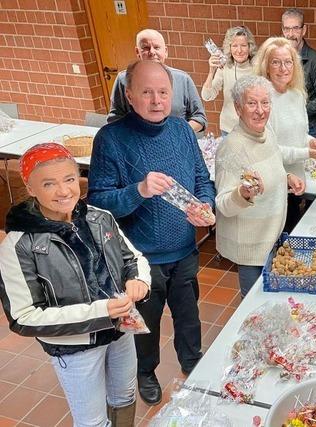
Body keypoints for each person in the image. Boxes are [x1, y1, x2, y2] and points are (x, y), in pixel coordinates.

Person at [88, 60, 216, 406]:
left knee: (189, 315)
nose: (156, 100)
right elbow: (97, 203)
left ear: (172, 94)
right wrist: (139, 190)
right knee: (145, 324)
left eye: (163, 92)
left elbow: (202, 179)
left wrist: (206, 205)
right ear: (129, 95)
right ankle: (146, 372)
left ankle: (192, 361)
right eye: (147, 92)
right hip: (141, 261)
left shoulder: (182, 130)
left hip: (185, 250)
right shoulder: (111, 138)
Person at [0, 143, 151, 426]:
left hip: (120, 332)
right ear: (30, 188)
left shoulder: (99, 217)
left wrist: (138, 280)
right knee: (92, 421)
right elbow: (24, 318)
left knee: (125, 395)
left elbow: (133, 258)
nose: (64, 191)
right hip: (76, 348)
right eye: (49, 183)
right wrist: (100, 312)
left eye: (69, 179)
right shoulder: (20, 246)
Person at [215, 75, 306, 297]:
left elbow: (273, 165)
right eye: (252, 103)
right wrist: (242, 193)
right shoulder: (232, 147)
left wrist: (286, 177)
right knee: (254, 307)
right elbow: (223, 204)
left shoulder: (267, 132)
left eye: (265, 103)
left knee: (269, 302)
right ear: (238, 108)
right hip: (251, 247)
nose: (260, 110)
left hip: (271, 237)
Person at [253, 36, 316, 232]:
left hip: (295, 184)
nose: (283, 68)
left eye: (288, 62)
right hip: (271, 186)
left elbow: (300, 134)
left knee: (290, 243)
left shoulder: (296, 95)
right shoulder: (261, 100)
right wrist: (307, 153)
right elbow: (268, 150)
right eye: (276, 62)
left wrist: (311, 143)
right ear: (266, 66)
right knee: (273, 248)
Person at [108, 29, 207, 133]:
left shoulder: (183, 79)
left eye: (156, 47)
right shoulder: (123, 80)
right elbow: (114, 119)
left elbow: (199, 117)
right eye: (146, 48)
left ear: (166, 51)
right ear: (137, 52)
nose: (152, 52)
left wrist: (179, 134)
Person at [281, 8, 316, 137]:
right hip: (283, 126)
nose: (291, 34)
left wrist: (298, 111)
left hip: (308, 127)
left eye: (295, 28)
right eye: (287, 29)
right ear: (282, 31)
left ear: (304, 30)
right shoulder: (279, 58)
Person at [201, 26, 257, 136]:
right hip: (228, 128)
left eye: (243, 45)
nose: (239, 50)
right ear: (229, 48)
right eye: (235, 46)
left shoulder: (257, 68)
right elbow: (207, 96)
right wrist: (211, 71)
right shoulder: (225, 67)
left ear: (250, 47)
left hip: (252, 128)